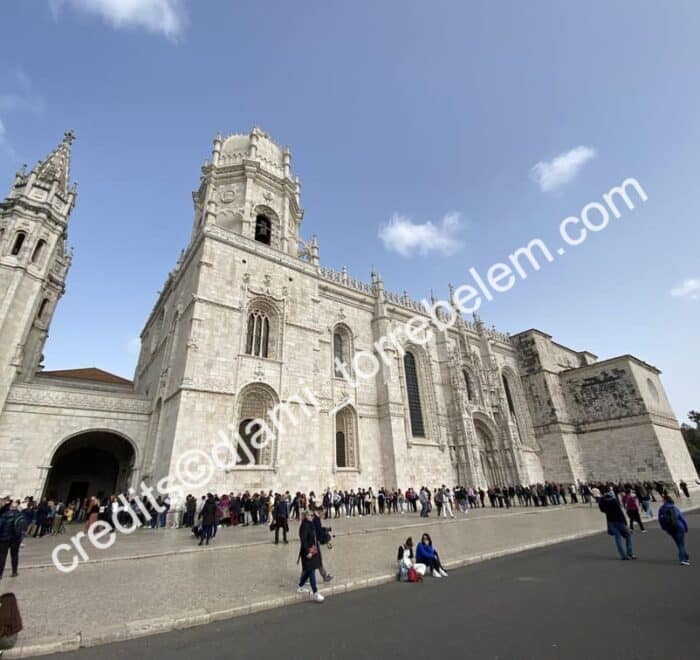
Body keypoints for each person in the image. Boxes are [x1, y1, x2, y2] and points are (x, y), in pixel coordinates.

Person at [598, 487, 636, 561]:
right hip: (619, 521)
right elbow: (620, 513)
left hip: (611, 522)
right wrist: (625, 523)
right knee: (628, 536)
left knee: (617, 538)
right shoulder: (614, 501)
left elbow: (601, 509)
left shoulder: (603, 502)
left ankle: (623, 556)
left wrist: (601, 499)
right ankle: (630, 553)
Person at [297, 510, 324, 602]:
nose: (312, 517)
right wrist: (308, 552)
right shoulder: (304, 526)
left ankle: (300, 586)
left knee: (309, 571)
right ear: (306, 516)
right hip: (307, 552)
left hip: (313, 550)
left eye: (313, 515)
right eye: (311, 515)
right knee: (311, 571)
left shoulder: (310, 524)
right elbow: (303, 540)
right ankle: (315, 593)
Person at [658, 495, 690, 565]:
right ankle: (683, 559)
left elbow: (660, 519)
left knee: (678, 543)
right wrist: (686, 527)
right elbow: (681, 518)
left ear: (665, 501)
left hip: (670, 528)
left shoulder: (661, 509)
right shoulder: (674, 507)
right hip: (679, 527)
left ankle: (685, 555)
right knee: (681, 543)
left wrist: (664, 528)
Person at [0, 498, 25, 580]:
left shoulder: (5, 515)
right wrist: (20, 539)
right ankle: (14, 571)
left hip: (4, 538)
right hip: (16, 539)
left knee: (2, 556)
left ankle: (0, 574)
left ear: (10, 507)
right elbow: (23, 529)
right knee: (14, 555)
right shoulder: (20, 515)